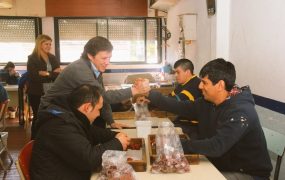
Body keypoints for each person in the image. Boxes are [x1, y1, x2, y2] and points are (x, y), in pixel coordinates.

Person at [142, 58, 272, 179]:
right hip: (218, 163)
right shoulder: (208, 102)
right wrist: (151, 95)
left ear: (220, 85)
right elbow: (180, 106)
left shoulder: (241, 112)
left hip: (246, 174)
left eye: (204, 82)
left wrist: (175, 144)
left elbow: (216, 146)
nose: (199, 86)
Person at [39, 36, 150, 132]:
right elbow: (104, 97)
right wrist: (135, 90)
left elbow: (101, 97)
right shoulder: (80, 69)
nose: (107, 62)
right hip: (52, 111)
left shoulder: (95, 68)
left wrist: (111, 122)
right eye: (104, 58)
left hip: (67, 109)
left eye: (109, 58)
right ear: (90, 56)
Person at [30, 84, 130, 179]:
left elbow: (92, 132)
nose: (99, 114)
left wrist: (115, 135)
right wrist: (117, 143)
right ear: (87, 107)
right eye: (99, 109)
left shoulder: (70, 114)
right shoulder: (60, 126)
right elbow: (88, 160)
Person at [27, 34, 61, 139]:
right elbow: (34, 77)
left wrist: (45, 73)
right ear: (39, 44)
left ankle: (48, 140)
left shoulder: (52, 57)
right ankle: (34, 141)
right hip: (36, 93)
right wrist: (51, 74)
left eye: (50, 44)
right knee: (38, 117)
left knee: (51, 117)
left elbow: (58, 75)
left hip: (51, 93)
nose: (49, 46)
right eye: (46, 44)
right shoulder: (32, 58)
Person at [170, 59, 202, 139]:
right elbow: (169, 97)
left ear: (187, 72)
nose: (175, 75)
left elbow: (173, 102)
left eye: (178, 72)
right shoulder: (183, 84)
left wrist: (152, 97)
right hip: (182, 122)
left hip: (193, 127)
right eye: (175, 73)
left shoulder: (195, 85)